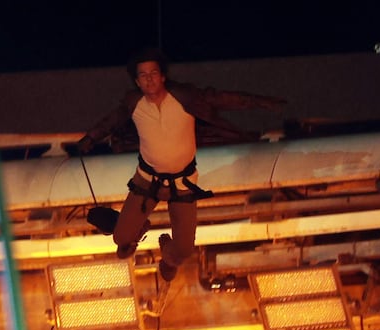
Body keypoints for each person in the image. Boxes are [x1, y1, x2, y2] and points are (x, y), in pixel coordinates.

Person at [76, 47, 285, 282]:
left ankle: (166, 252)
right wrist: (91, 138)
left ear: (163, 76)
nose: (149, 79)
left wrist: (262, 102)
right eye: (143, 75)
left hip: (182, 185)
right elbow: (111, 120)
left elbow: (223, 98)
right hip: (147, 182)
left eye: (153, 73)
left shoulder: (184, 98)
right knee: (120, 239)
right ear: (137, 81)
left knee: (182, 252)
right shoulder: (134, 103)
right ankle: (136, 228)